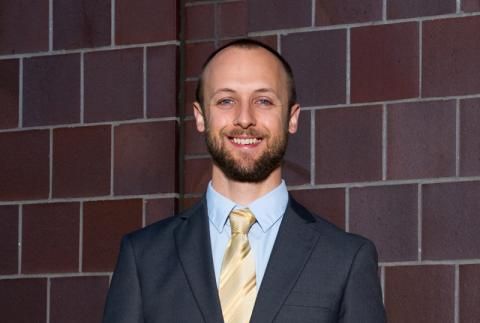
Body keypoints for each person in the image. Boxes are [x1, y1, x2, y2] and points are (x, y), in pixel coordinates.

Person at [103, 39, 386, 323]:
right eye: (226, 100)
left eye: (263, 101)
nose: (245, 119)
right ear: (201, 117)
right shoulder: (143, 257)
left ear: (292, 118)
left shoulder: (346, 259)